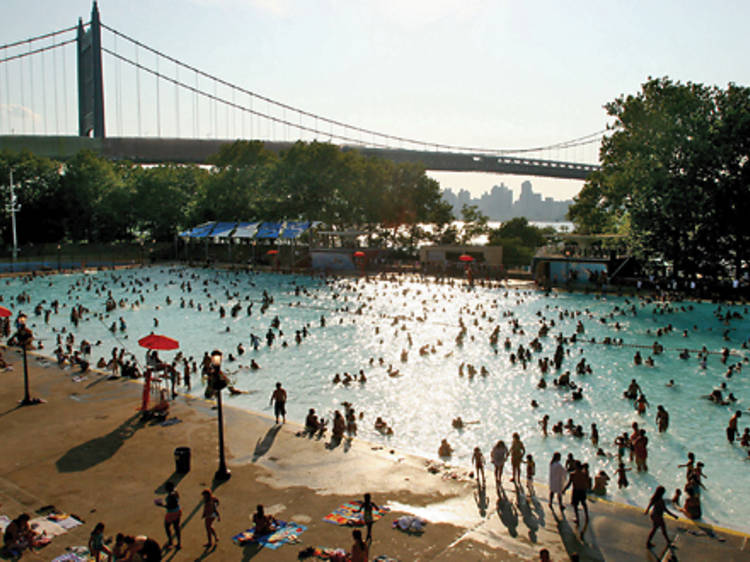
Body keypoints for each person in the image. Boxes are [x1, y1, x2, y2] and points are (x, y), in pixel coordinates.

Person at [563, 461, 589, 530]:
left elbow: (569, 484)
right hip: (582, 490)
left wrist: (564, 489)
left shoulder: (572, 474)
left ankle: (577, 519)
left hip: (576, 491)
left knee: (575, 505)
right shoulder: (584, 473)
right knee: (584, 503)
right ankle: (587, 516)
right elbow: (587, 482)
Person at [159, 481, 181, 549]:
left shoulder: (170, 496)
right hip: (178, 511)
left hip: (171, 513)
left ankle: (170, 542)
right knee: (176, 527)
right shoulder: (176, 492)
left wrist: (161, 505)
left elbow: (169, 506)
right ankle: (179, 543)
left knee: (167, 527)